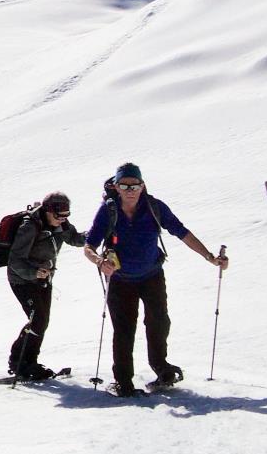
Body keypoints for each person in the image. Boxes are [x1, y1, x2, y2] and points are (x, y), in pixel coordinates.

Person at [84, 163, 229, 397]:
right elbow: (89, 245)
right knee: (123, 330)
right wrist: (100, 262)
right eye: (124, 185)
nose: (130, 189)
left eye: (135, 185)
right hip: (120, 280)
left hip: (151, 276)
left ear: (143, 186)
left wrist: (210, 257)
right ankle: (123, 381)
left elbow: (182, 232)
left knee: (159, 323)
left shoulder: (154, 207)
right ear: (116, 187)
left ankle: (161, 369)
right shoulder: (108, 211)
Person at [5, 193, 82, 381]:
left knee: (42, 321)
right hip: (22, 280)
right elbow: (14, 260)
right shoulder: (30, 226)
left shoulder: (61, 224)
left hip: (43, 279)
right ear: (48, 211)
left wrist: (98, 234)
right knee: (38, 320)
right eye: (59, 216)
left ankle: (30, 362)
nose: (63, 220)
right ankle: (18, 362)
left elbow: (75, 239)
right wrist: (34, 272)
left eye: (66, 215)